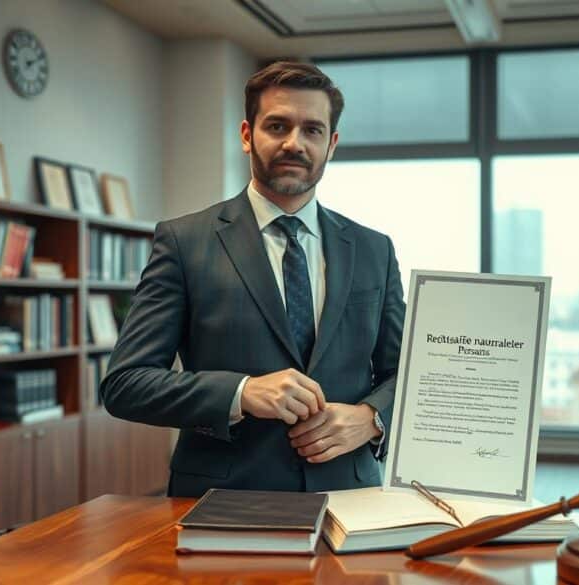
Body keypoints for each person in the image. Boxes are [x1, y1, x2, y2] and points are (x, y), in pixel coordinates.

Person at [100, 61, 405, 497]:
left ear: (331, 144)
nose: (294, 143)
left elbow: (407, 375)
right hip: (222, 500)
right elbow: (126, 383)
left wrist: (370, 419)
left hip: (348, 496)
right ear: (247, 135)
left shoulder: (375, 250)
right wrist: (241, 392)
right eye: (277, 126)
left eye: (312, 130)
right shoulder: (184, 241)